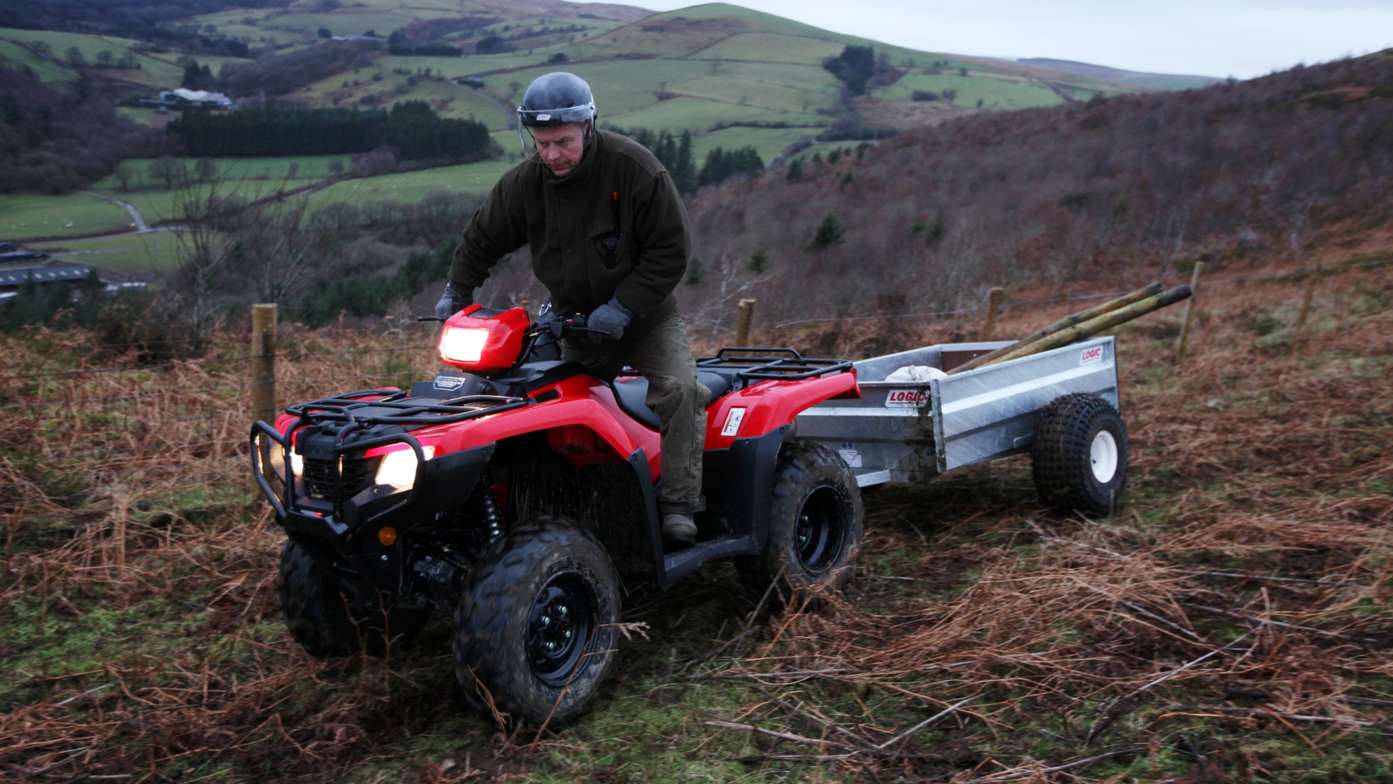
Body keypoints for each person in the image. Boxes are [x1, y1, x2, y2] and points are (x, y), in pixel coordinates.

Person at [435, 72, 706, 548]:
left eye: (562, 142)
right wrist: (457, 291)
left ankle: (679, 503)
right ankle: (530, 501)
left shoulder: (635, 171)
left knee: (681, 390)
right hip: (571, 320)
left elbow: (670, 251)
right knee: (521, 398)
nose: (552, 155)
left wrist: (623, 307)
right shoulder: (525, 184)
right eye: (542, 144)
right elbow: (483, 237)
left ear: (588, 126)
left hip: (645, 318)